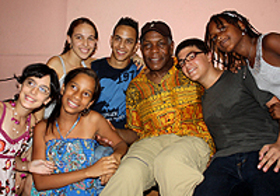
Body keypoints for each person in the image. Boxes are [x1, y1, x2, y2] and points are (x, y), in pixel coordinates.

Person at [100, 21, 215, 196]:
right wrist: (111, 131)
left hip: (191, 139)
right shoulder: (135, 86)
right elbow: (135, 132)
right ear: (141, 49)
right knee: (128, 171)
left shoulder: (188, 69)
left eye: (161, 44)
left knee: (170, 161)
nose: (154, 51)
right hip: (150, 144)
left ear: (171, 46)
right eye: (147, 45)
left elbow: (220, 90)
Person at [175, 38, 280, 196]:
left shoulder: (240, 74)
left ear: (209, 55)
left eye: (191, 56)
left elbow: (277, 106)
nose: (187, 65)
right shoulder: (199, 98)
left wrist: (279, 144)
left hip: (261, 151)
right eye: (182, 62)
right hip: (224, 161)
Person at [31, 68, 128, 196]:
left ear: (90, 103)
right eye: (73, 87)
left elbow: (121, 144)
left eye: (86, 94)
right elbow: (40, 183)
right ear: (63, 88)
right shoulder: (42, 128)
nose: (77, 96)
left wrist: (114, 158)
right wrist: (89, 172)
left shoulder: (93, 120)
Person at [0, 63, 60, 196]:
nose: (33, 92)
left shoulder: (32, 123)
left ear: (47, 100)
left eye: (42, 89)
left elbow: (8, 160)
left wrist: (28, 166)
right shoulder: (1, 111)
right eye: (31, 83)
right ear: (20, 85)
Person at [204, 10, 280, 99]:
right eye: (214, 37)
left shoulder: (269, 42)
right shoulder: (247, 64)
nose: (219, 37)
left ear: (241, 25)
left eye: (222, 28)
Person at [90, 17, 141, 130]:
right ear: (111, 40)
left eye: (128, 41)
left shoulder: (139, 72)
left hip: (124, 135)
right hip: (93, 132)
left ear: (136, 47)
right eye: (118, 39)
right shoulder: (93, 68)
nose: (121, 46)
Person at [43, 17, 98, 119]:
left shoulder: (90, 65)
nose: (85, 44)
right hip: (49, 123)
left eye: (90, 38)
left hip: (73, 126)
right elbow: (41, 96)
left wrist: (134, 57)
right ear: (69, 39)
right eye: (79, 37)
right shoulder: (56, 64)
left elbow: (113, 61)